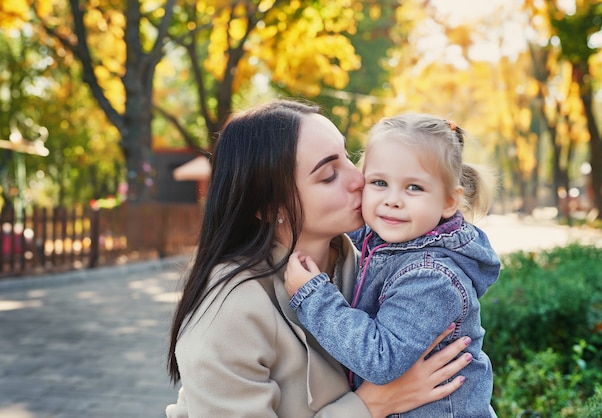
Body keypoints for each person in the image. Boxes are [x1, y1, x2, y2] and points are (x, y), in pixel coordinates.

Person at [165, 100, 474, 418]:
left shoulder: (371, 262)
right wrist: (370, 406)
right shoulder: (227, 311)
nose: (358, 179)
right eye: (329, 175)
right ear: (272, 208)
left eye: (350, 158)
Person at [285, 113, 501, 417]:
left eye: (414, 187)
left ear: (449, 202)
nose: (393, 200)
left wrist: (313, 297)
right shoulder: (396, 239)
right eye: (379, 182)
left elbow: (380, 359)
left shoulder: (431, 277)